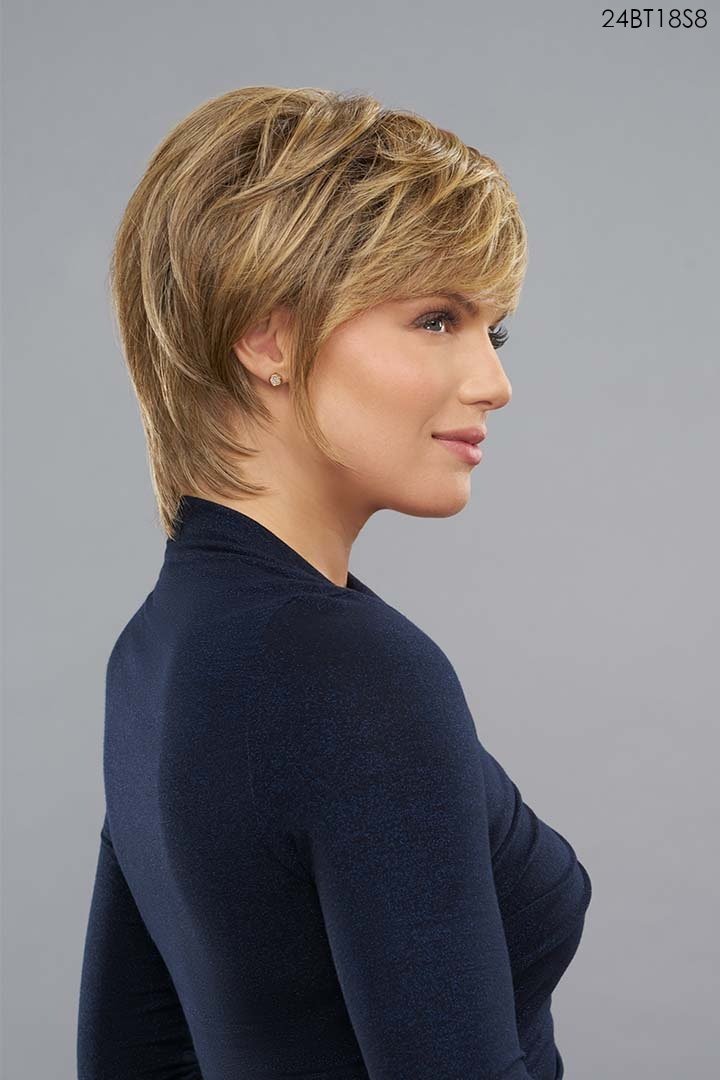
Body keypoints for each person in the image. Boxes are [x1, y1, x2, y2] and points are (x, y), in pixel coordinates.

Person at [77, 85, 592, 1080]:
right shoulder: (350, 671)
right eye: (436, 319)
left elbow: (128, 1054)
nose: (494, 383)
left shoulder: (153, 651)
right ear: (268, 337)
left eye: (493, 332)